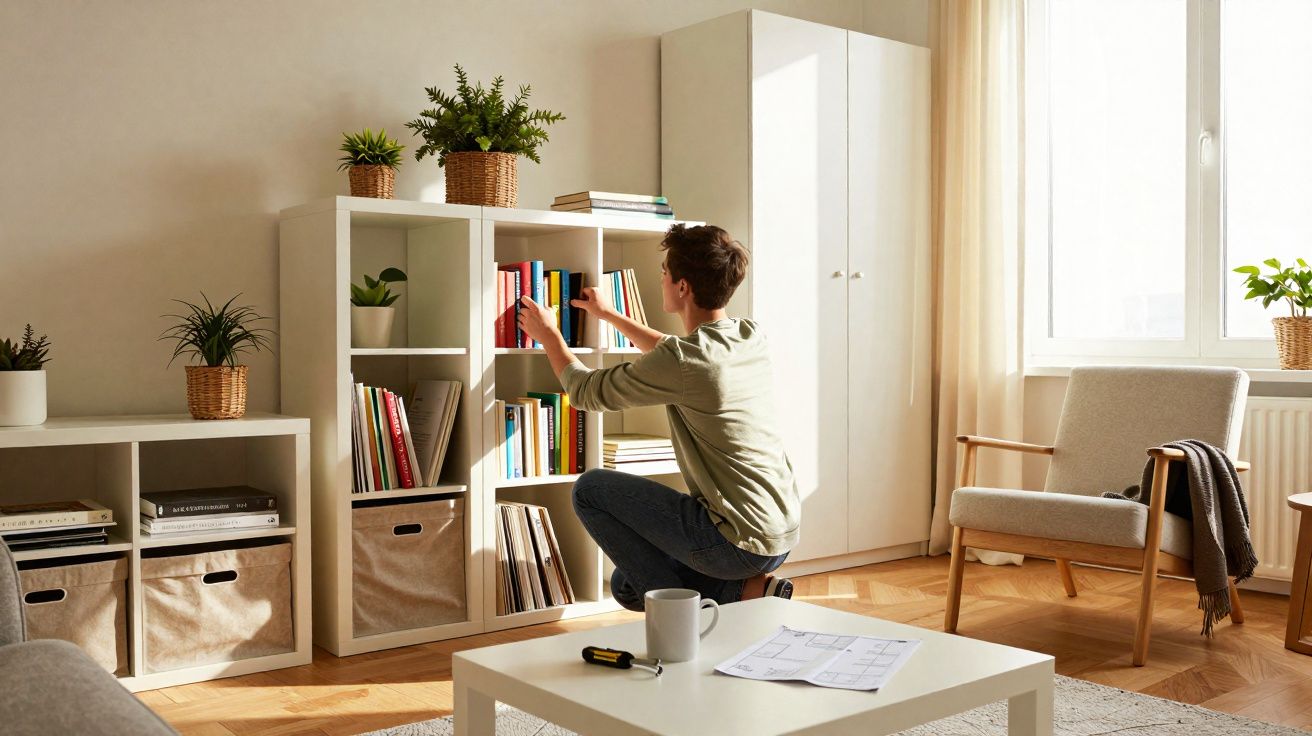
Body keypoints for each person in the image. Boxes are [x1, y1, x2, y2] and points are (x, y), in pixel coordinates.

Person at [514, 223, 800, 611]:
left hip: (736, 544)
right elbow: (676, 352)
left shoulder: (684, 362)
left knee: (590, 489)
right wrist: (610, 315)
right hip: (780, 533)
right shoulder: (748, 335)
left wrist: (549, 335)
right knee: (626, 586)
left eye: (665, 272)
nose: (661, 279)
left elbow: (585, 392)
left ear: (682, 287)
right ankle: (746, 592)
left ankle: (678, 615)